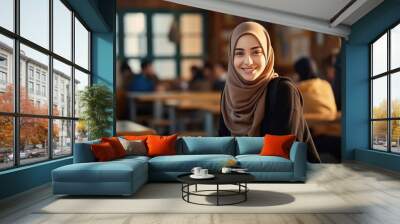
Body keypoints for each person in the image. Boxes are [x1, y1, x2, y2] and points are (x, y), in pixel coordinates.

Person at [218, 21, 320, 163]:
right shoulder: (227, 94)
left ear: (267, 54)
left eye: (256, 52)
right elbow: (223, 150)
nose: (247, 61)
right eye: (239, 53)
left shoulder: (283, 91)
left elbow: (283, 156)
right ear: (231, 57)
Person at [294, 57, 337, 121]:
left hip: (314, 128)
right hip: (334, 126)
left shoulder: (297, 90)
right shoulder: (326, 85)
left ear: (299, 74)